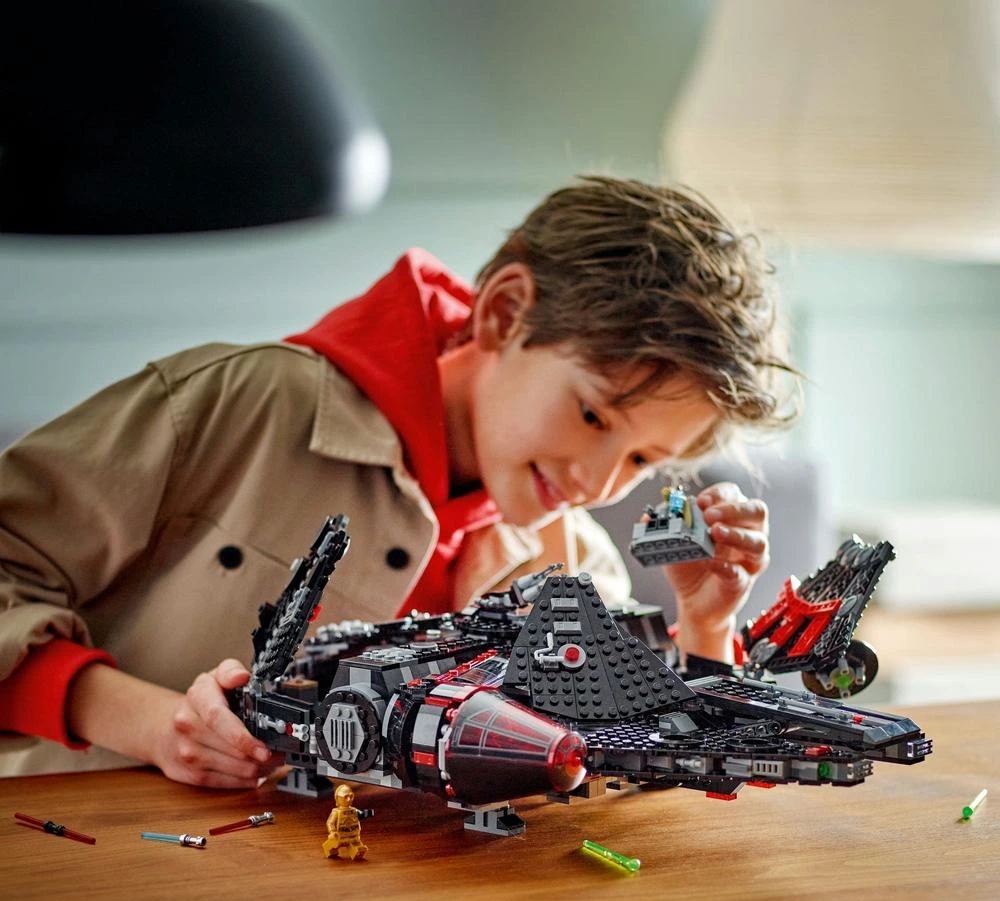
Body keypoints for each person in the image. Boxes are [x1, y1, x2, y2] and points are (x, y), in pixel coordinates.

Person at [0, 175, 798, 786]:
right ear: (504, 313)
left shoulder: (573, 563)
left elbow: (627, 759)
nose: (596, 481)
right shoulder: (236, 404)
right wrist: (153, 724)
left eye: (642, 460)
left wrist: (706, 624)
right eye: (592, 415)